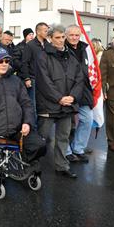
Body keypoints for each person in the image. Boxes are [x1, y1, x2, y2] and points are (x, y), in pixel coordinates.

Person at [0, 47, 46, 171]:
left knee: (40, 145)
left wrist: (27, 122)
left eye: (7, 61)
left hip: (17, 129)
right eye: (0, 61)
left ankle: (25, 163)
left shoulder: (16, 81)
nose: (4, 64)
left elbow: (27, 103)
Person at [35, 25, 83, 178]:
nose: (61, 40)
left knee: (63, 137)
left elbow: (79, 79)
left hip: (67, 105)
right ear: (50, 38)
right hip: (49, 105)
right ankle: (33, 165)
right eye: (57, 37)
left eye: (63, 37)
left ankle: (62, 166)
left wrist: (72, 97)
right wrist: (59, 98)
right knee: (41, 139)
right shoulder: (42, 56)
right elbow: (44, 81)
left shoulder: (71, 56)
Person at [64, 25, 94, 163]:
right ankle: (66, 151)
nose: (74, 38)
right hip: (67, 90)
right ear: (66, 35)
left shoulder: (85, 48)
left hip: (84, 90)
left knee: (87, 119)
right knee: (64, 123)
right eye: (71, 35)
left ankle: (78, 148)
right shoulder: (62, 49)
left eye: (77, 35)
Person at [20, 23, 50, 129]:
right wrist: (27, 78)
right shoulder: (30, 45)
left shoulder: (48, 45)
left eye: (47, 30)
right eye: (45, 30)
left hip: (46, 80)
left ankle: (41, 128)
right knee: (33, 105)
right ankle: (33, 128)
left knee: (44, 105)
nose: (47, 32)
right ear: (38, 31)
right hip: (33, 78)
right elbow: (25, 62)